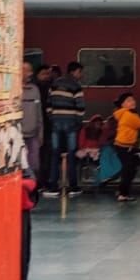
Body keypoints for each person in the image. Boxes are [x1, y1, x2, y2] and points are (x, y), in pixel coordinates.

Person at [46, 60, 86, 194]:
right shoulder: (76, 86)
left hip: (56, 122)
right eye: (80, 72)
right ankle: (73, 186)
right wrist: (78, 122)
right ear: (74, 72)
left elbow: (48, 105)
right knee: (71, 153)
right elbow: (80, 107)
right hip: (71, 124)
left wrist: (53, 118)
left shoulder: (55, 84)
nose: (80, 75)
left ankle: (53, 186)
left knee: (55, 153)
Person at [110, 92, 140, 201]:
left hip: (124, 146)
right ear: (123, 105)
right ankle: (123, 194)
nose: (132, 102)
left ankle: (123, 191)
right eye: (128, 100)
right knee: (128, 170)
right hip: (124, 146)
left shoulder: (126, 113)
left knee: (129, 168)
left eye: (132, 100)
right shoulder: (128, 115)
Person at [20, 60, 44, 192]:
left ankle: (31, 190)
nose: (31, 73)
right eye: (27, 70)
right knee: (21, 166)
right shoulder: (14, 90)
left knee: (34, 165)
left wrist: (41, 133)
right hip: (18, 136)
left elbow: (39, 112)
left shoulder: (34, 90)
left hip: (33, 135)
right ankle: (26, 192)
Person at [35, 63, 55, 186]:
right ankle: (36, 181)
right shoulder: (33, 88)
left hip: (48, 127)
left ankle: (44, 181)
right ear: (37, 75)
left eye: (47, 74)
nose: (46, 76)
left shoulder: (52, 88)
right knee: (34, 157)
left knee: (47, 156)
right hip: (35, 127)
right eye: (43, 74)